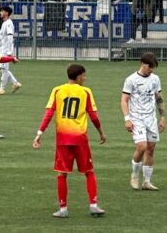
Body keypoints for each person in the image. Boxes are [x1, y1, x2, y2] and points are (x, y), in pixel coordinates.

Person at [32, 63, 107, 218]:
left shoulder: (57, 90)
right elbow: (93, 116)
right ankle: (93, 205)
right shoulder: (85, 92)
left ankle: (63, 209)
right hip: (80, 139)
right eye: (84, 76)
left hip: (63, 140)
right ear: (79, 76)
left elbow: (49, 114)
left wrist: (39, 133)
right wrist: (101, 132)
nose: (85, 79)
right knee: (89, 171)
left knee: (62, 174)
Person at [121, 52, 166, 191]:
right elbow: (124, 100)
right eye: (149, 67)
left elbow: (159, 98)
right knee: (142, 146)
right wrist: (127, 119)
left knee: (151, 149)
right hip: (137, 118)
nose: (151, 70)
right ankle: (134, 175)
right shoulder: (131, 80)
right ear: (142, 64)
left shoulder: (155, 79)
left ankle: (147, 182)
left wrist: (163, 117)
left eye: (153, 68)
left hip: (151, 118)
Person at [0, 5, 22, 95]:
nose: (0, 13)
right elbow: (0, 34)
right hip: (2, 49)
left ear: (6, 13)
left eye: (2, 11)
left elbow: (10, 37)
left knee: (4, 68)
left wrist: (10, 53)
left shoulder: (9, 23)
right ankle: (15, 83)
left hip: (6, 50)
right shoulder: (4, 23)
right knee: (2, 68)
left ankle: (2, 88)